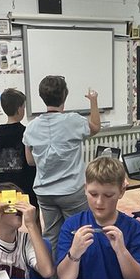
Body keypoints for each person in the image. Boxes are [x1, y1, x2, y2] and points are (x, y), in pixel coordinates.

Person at [56, 156, 140, 279]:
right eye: (93, 194)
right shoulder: (73, 225)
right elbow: (65, 277)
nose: (99, 202)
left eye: (108, 195)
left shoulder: (134, 229)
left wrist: (121, 251)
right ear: (85, 189)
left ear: (121, 191)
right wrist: (74, 253)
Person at [23, 75, 101, 245]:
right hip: (72, 191)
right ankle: (79, 270)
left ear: (42, 97)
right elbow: (95, 127)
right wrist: (93, 101)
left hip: (44, 192)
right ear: (65, 95)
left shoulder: (31, 127)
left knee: (51, 237)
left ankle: (54, 271)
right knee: (80, 233)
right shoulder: (73, 120)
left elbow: (30, 161)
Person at [0, 87, 35, 202]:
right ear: (19, 109)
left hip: (4, 184)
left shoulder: (0, 131)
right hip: (25, 185)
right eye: (23, 107)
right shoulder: (25, 131)